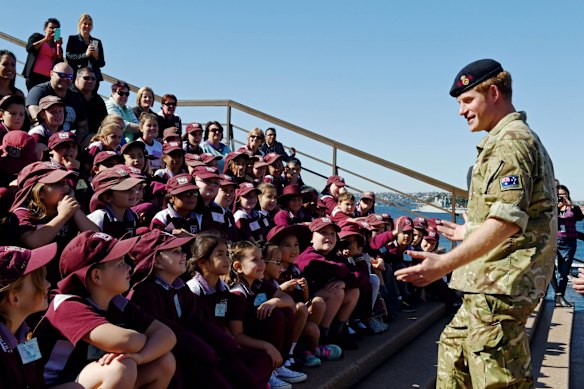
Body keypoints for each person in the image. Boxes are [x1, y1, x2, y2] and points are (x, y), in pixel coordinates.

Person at [395, 59, 557, 388]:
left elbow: (507, 221)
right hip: (488, 284)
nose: (461, 111)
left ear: (493, 92)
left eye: (467, 100)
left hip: (500, 285)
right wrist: (468, 231)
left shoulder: (510, 143)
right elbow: (514, 217)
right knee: (454, 356)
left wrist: (444, 263)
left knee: (496, 380)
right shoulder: (504, 140)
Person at [34, 231, 176, 388]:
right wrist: (140, 343)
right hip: (55, 383)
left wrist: (140, 357)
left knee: (164, 361)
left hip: (86, 378)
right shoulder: (66, 305)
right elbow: (128, 341)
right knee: (120, 368)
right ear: (96, 276)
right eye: (120, 263)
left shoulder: (116, 302)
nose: (129, 267)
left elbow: (167, 335)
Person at [26, 63, 89, 140]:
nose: (65, 79)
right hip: (43, 139)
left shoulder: (75, 97)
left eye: (69, 77)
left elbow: (83, 125)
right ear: (51, 74)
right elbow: (36, 119)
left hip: (66, 141)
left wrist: (74, 143)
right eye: (61, 75)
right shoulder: (38, 91)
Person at [554, 184, 583, 307]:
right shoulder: (552, 208)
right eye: (559, 195)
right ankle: (557, 294)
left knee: (563, 273)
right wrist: (555, 207)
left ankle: (560, 296)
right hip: (553, 242)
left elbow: (580, 217)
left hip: (568, 243)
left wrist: (570, 204)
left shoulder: (573, 209)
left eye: (563, 195)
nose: (561, 197)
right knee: (550, 270)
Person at [66, 13, 105, 93]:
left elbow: (102, 63)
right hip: (77, 76)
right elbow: (69, 56)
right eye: (85, 23)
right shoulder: (73, 39)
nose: (87, 26)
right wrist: (85, 55)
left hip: (93, 78)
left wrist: (96, 56)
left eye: (90, 24)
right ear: (80, 24)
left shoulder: (97, 42)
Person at [23, 18, 63, 91]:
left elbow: (59, 59)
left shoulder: (56, 45)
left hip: (47, 78)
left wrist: (59, 46)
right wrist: (45, 39)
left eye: (56, 29)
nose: (53, 30)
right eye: (51, 28)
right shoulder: (37, 36)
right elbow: (30, 48)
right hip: (33, 76)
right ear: (45, 29)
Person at [71, 67, 107, 144]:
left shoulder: (98, 99)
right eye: (86, 78)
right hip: (72, 136)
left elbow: (106, 121)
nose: (90, 81)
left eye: (93, 79)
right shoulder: (69, 94)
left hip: (96, 137)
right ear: (77, 79)